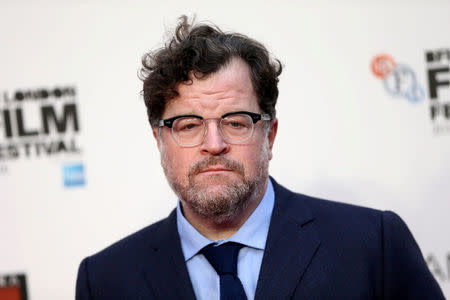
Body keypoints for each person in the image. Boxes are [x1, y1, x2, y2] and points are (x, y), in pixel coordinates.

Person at [75, 16, 444, 299]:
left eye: (236, 122)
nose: (214, 144)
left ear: (270, 133)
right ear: (159, 139)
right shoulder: (105, 280)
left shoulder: (371, 245)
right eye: (189, 125)